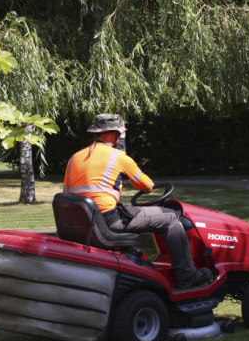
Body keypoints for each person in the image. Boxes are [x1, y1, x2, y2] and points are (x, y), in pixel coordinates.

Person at [63, 114, 213, 291]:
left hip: (83, 222)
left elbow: (68, 192)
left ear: (97, 134)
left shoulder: (75, 158)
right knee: (171, 219)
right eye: (119, 135)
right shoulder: (118, 157)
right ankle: (188, 277)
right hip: (109, 221)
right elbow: (146, 185)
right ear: (114, 135)